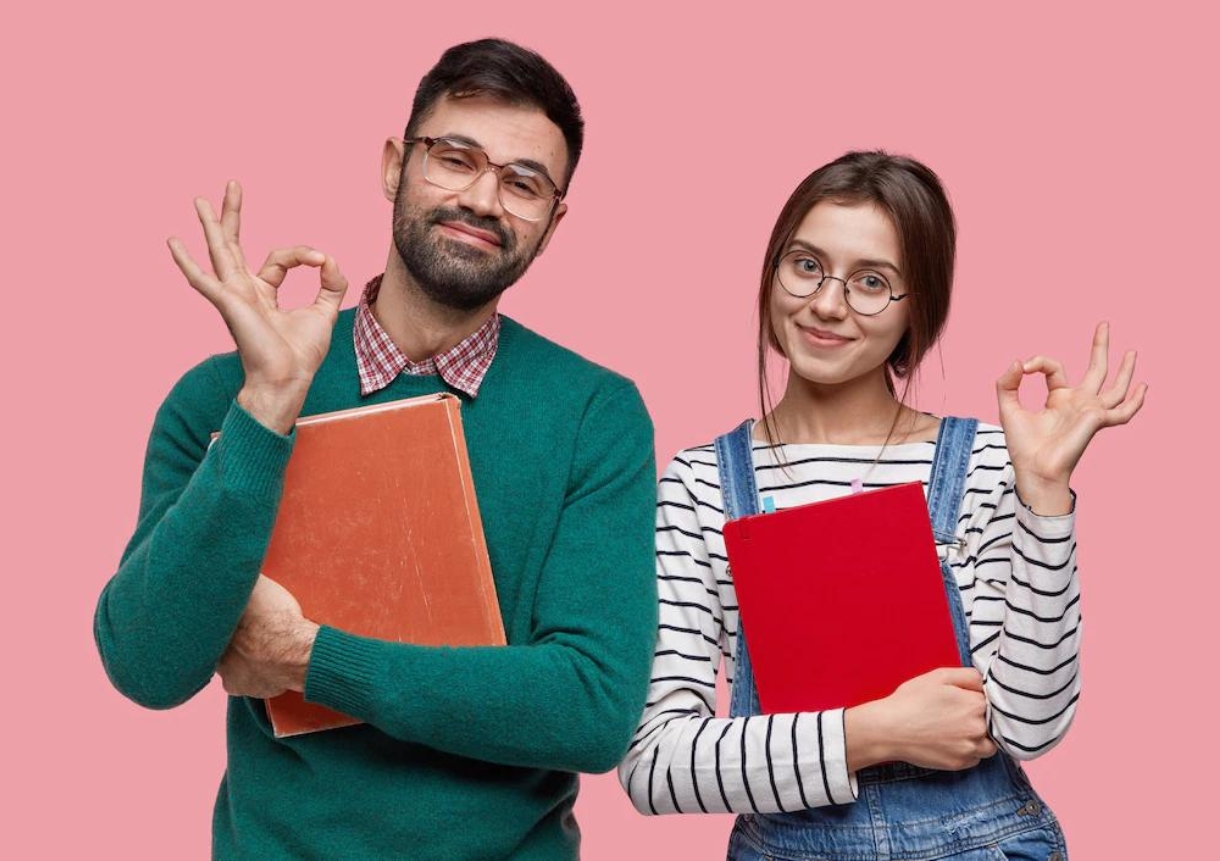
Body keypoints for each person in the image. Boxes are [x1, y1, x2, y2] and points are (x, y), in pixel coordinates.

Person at [94, 38, 657, 861]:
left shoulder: (596, 415)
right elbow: (144, 663)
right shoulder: (222, 397)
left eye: (523, 182)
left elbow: (590, 706)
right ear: (395, 165)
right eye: (455, 157)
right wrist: (266, 406)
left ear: (554, 220)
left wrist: (309, 656)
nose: (482, 197)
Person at [619, 151, 1144, 860]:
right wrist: (875, 731)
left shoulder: (989, 465)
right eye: (806, 265)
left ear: (917, 312)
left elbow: (1029, 724)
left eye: (872, 282)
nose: (828, 304)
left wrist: (1045, 495)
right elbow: (654, 762)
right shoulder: (699, 484)